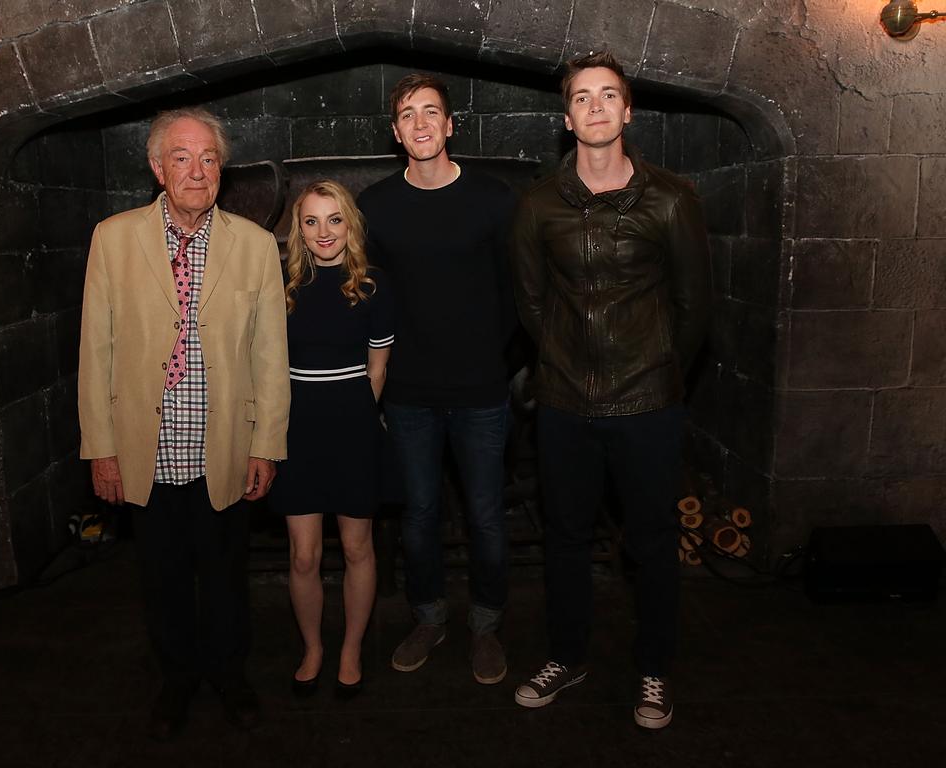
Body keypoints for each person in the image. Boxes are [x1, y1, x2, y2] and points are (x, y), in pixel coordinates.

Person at [510, 52, 712, 728]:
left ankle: (654, 670)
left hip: (647, 402)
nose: (595, 108)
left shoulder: (671, 198)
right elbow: (532, 305)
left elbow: (694, 308)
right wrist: (563, 366)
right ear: (565, 117)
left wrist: (655, 372)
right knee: (564, 537)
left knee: (652, 542)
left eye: (608, 96)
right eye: (581, 98)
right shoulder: (539, 201)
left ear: (628, 111)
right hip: (565, 402)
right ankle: (567, 656)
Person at [77, 107, 290, 740]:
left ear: (221, 170)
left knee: (226, 575)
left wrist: (268, 445)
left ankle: (229, 675)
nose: (196, 171)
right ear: (156, 167)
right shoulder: (113, 239)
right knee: (162, 576)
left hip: (223, 445)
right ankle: (176, 679)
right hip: (147, 447)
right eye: (181, 157)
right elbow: (95, 352)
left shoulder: (253, 246)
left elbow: (269, 355)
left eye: (209, 159)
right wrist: (101, 450)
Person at [357, 74, 516, 685]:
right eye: (407, 115)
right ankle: (428, 618)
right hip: (408, 394)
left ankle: (486, 626)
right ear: (396, 132)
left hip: (480, 390)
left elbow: (514, 295)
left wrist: (485, 356)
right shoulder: (374, 206)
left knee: (485, 516)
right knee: (418, 515)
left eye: (432, 113)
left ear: (450, 125)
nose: (420, 123)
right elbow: (371, 299)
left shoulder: (496, 200)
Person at [268, 180, 393, 699]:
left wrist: (359, 420)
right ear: (299, 228)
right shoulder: (281, 286)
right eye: (312, 221)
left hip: (353, 427)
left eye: (334, 219)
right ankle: (314, 646)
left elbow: (377, 371)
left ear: (350, 225)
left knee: (358, 547)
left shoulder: (373, 285)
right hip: (296, 429)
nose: (324, 231)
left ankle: (351, 648)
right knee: (303, 555)